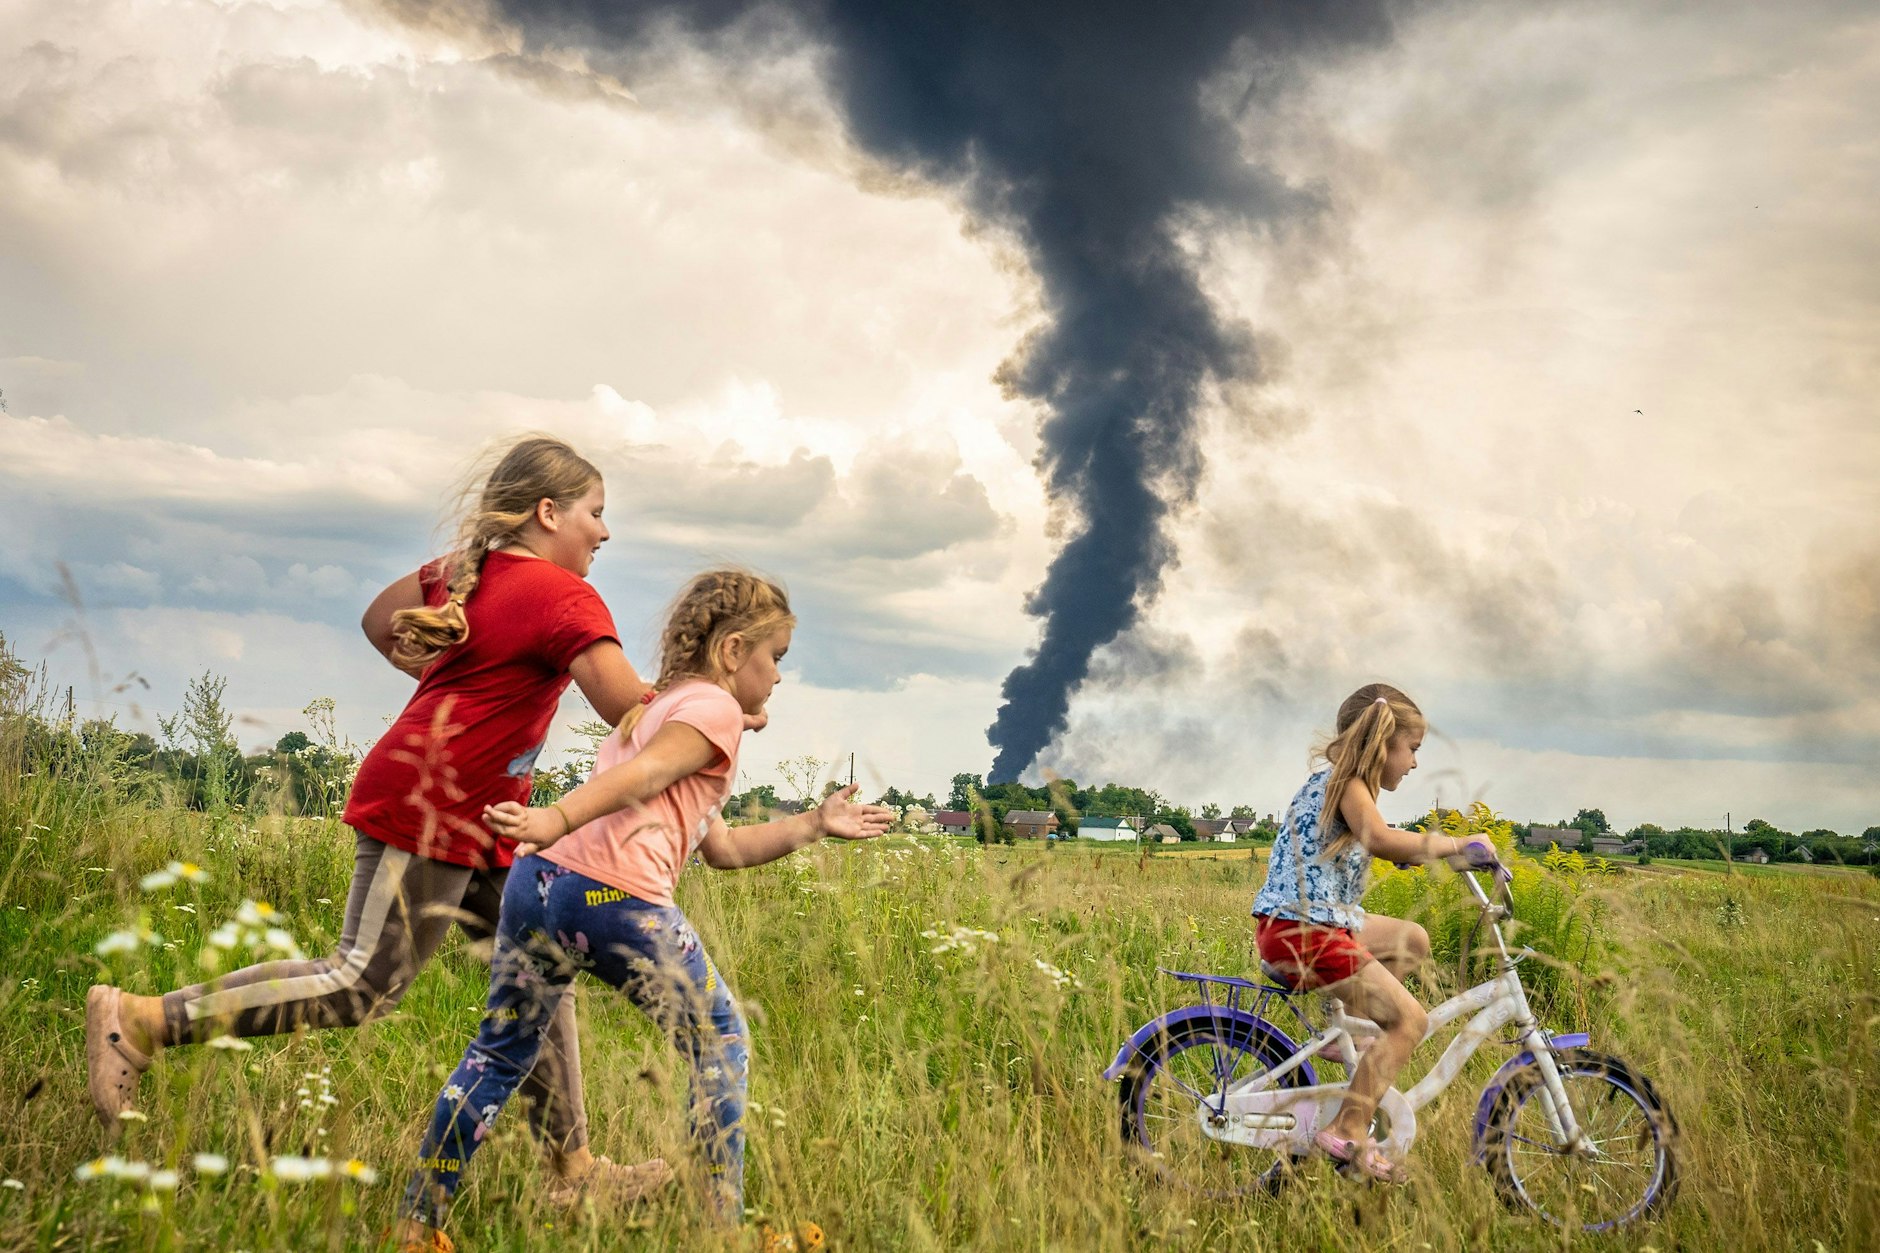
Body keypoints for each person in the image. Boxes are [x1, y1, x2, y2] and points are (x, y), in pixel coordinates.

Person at [85, 435, 662, 1199]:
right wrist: (715, 700)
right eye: (596, 512)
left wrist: (444, 670)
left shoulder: (469, 574)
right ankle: (143, 1019)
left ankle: (573, 1170)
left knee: (540, 969)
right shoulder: (563, 594)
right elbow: (631, 711)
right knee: (361, 982)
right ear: (549, 512)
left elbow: (377, 617)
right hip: (429, 807)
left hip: (489, 821)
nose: (605, 531)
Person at [390, 569, 892, 1250]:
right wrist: (556, 814)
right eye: (776, 658)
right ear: (733, 649)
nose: (777, 678)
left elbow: (723, 848)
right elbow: (647, 776)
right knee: (721, 1039)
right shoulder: (710, 710)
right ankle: (721, 1230)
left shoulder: (661, 709)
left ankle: (418, 1223)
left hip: (539, 883)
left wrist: (814, 821)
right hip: (610, 894)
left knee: (500, 1050)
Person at [1249, 682, 1500, 1183]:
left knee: (1413, 939)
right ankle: (1349, 1130)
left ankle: (1344, 1034)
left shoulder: (1341, 783)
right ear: (1382, 742)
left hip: (1309, 923)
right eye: (1412, 750)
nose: (1412, 764)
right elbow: (1379, 838)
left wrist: (1426, 855)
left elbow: (1366, 841)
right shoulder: (1348, 784)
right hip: (1305, 932)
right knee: (1410, 1022)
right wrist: (1458, 843)